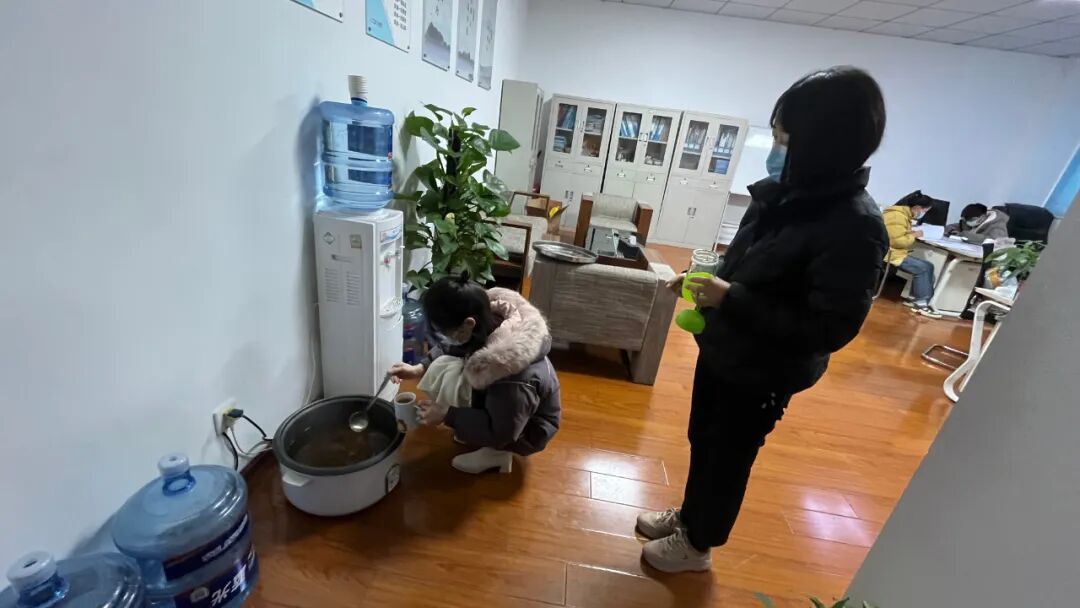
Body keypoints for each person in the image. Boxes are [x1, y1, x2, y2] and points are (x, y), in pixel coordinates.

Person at [634, 67, 889, 574]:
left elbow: (829, 328)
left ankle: (698, 547)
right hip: (726, 348)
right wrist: (704, 280)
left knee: (728, 457)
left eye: (783, 139)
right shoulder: (782, 193)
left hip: (765, 370)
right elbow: (748, 265)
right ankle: (691, 517)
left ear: (821, 144)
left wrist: (731, 298)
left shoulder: (856, 227)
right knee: (704, 440)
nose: (775, 149)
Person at [388, 275, 560, 474]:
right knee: (442, 366)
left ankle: (497, 454)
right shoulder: (487, 319)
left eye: (443, 331)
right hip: (509, 407)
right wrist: (418, 368)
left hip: (525, 432)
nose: (442, 338)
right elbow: (451, 347)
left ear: (468, 324)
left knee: (494, 427)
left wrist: (447, 415)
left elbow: (503, 431)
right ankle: (474, 429)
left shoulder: (510, 374)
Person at [884, 192, 941, 318]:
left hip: (892, 251)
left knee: (928, 265)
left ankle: (916, 299)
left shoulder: (901, 214)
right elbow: (897, 242)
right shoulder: (897, 216)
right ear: (917, 207)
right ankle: (921, 304)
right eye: (925, 210)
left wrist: (908, 233)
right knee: (923, 268)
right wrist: (914, 235)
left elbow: (896, 235)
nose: (924, 213)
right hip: (889, 253)